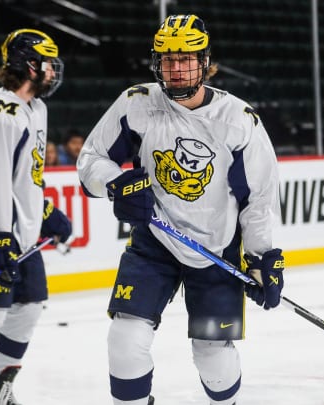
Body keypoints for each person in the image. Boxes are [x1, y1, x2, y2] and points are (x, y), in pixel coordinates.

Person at [77, 14, 285, 405]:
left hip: (216, 250)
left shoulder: (238, 122)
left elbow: (258, 198)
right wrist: (116, 184)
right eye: (167, 59)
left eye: (185, 58)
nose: (175, 68)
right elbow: (91, 159)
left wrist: (262, 257)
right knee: (125, 339)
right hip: (154, 243)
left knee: (212, 357)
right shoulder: (136, 104)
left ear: (205, 62)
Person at [0, 29, 73, 405]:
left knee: (29, 305)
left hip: (20, 226)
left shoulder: (36, 108)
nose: (54, 72)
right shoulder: (0, 112)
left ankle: (0, 391)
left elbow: (25, 176)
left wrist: (46, 212)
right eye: (48, 64)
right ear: (28, 65)